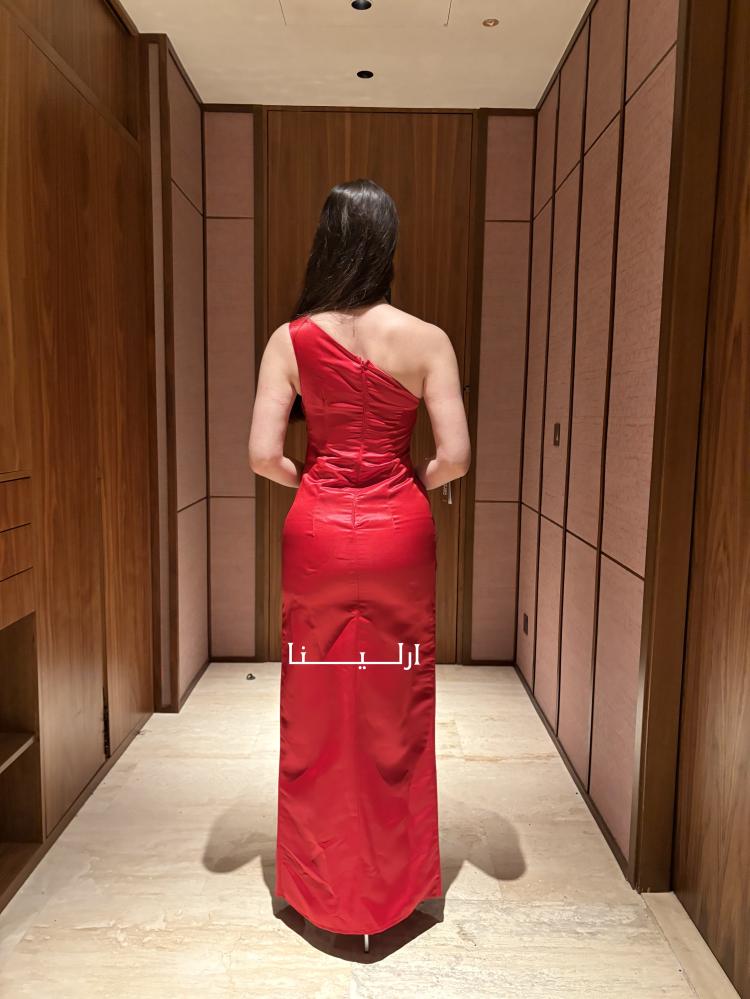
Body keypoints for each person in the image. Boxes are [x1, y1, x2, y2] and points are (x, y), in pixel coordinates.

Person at [248, 178, 471, 950]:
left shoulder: (289, 340)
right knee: (395, 702)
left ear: (328, 244)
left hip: (317, 534)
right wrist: (403, 484)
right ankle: (393, 892)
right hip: (398, 535)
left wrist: (316, 480)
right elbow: (454, 456)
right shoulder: (428, 340)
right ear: (387, 246)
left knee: (316, 704)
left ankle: (318, 890)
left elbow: (262, 455)